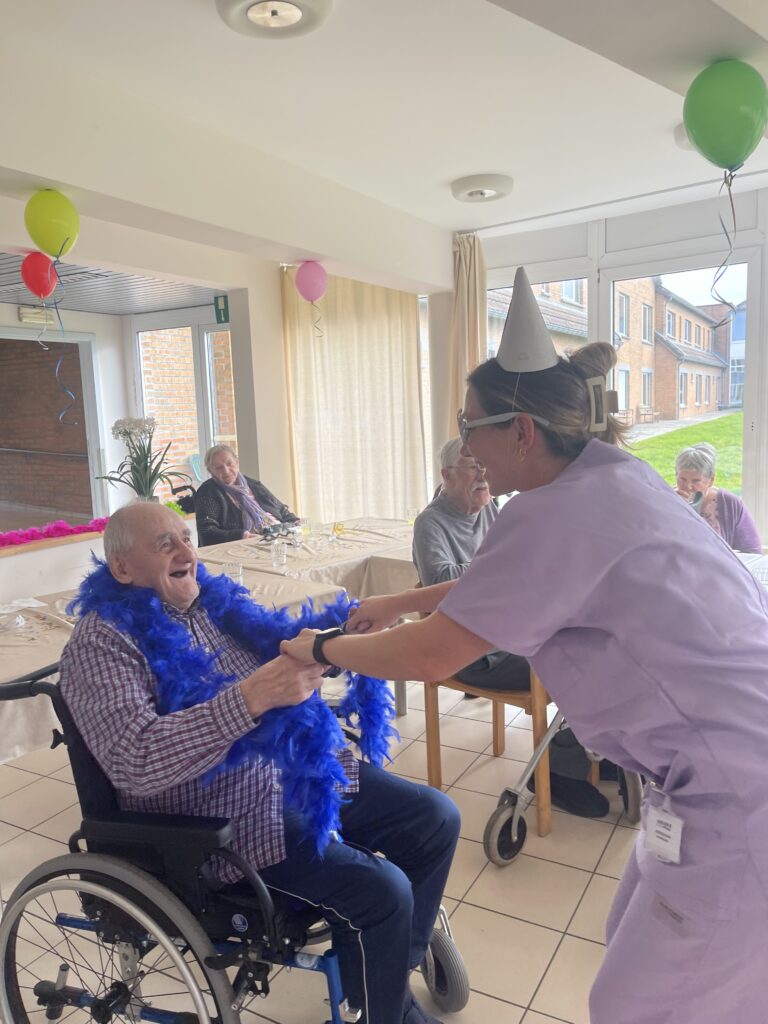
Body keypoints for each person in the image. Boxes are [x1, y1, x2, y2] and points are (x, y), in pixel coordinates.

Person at [281, 267, 768, 1024]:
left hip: (738, 792)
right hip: (716, 767)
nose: (466, 442)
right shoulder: (610, 479)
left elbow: (428, 658)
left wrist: (323, 649)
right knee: (634, 944)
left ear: (521, 432)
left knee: (638, 1004)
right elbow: (506, 581)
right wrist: (396, 602)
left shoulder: (551, 512)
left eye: (470, 423)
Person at [59, 502, 460, 1024]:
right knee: (384, 891)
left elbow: (279, 643)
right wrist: (250, 698)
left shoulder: (212, 603)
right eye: (165, 544)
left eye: (186, 537)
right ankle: (391, 1008)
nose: (185, 551)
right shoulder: (100, 642)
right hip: (221, 815)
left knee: (435, 819)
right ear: (121, 568)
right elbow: (135, 759)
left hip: (298, 769)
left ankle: (383, 977)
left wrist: (341, 633)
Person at [413, 437, 530, 693]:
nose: (483, 474)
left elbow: (511, 562)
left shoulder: (486, 508)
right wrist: (498, 563)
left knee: (578, 649)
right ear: (447, 475)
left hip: (506, 633)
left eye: (485, 464)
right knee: (566, 669)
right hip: (469, 652)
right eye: (474, 467)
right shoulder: (429, 523)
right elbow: (438, 584)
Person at [195, 443, 298, 546]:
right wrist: (242, 536)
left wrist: (295, 521)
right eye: (218, 467)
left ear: (237, 461)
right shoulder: (208, 492)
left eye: (229, 463)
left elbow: (281, 510)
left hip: (278, 537)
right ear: (210, 471)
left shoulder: (254, 485)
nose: (226, 471)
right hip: (245, 546)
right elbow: (206, 532)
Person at [675, 441, 762, 553]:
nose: (688, 486)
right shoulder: (667, 500)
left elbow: (752, 551)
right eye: (682, 479)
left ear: (711, 480)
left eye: (696, 481)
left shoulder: (730, 503)